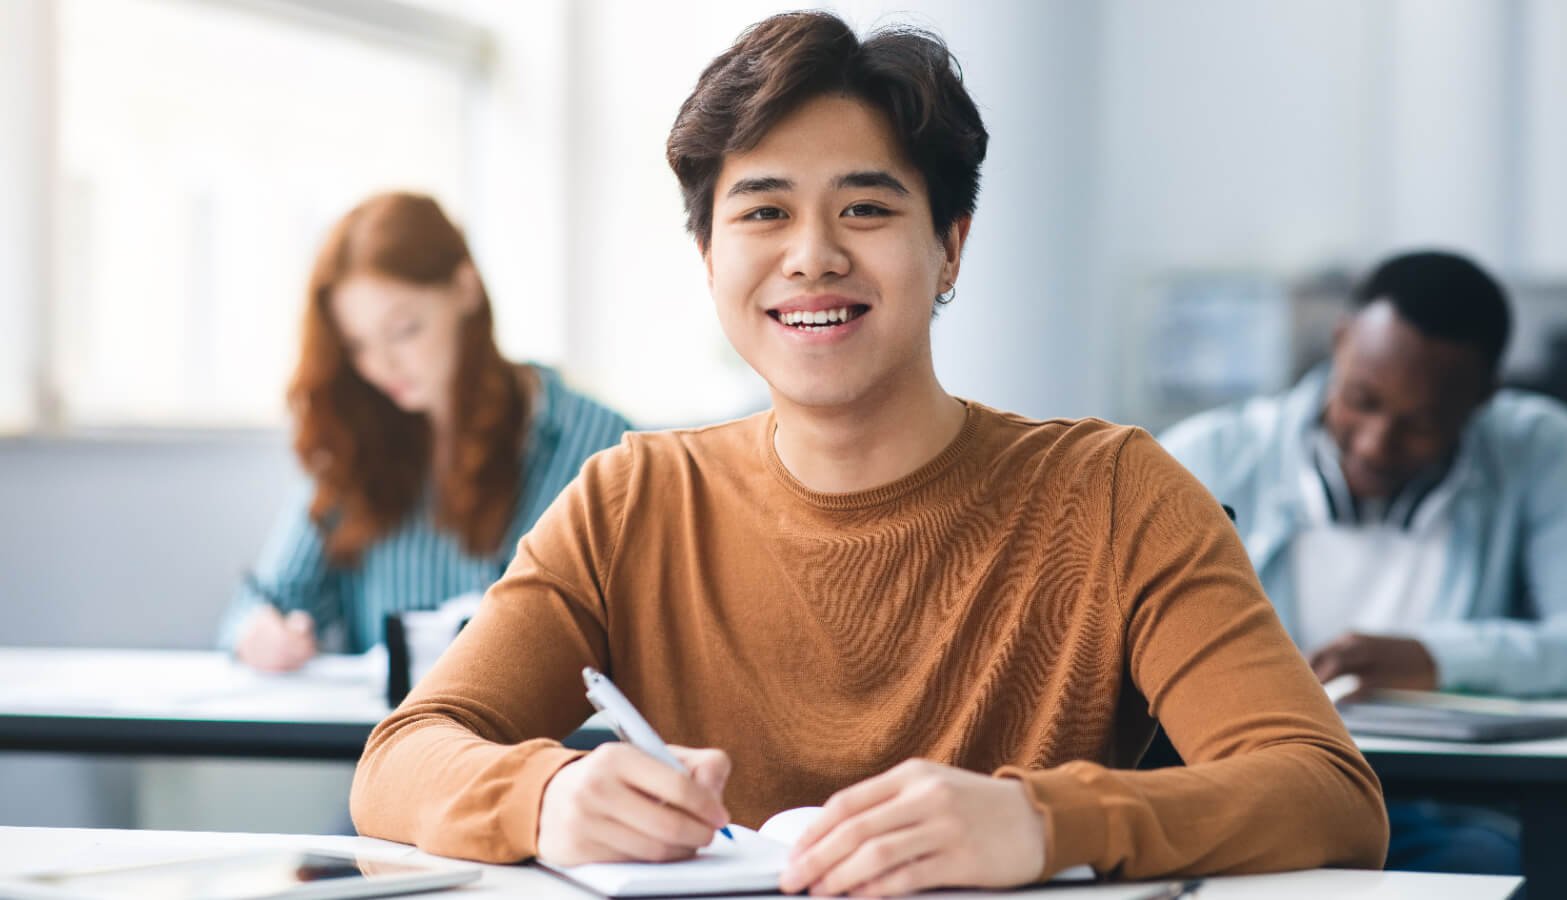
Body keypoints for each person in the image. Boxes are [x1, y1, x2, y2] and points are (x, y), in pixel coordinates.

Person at [350, 13, 1386, 893]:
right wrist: (549, 794)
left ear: (950, 247)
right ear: (709, 257)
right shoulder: (632, 499)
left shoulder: (1114, 492)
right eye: (761, 211)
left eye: (866, 208)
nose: (812, 255)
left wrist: (1042, 824)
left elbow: (1326, 793)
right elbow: (398, 762)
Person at [1161, 249, 1567, 874]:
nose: (1374, 444)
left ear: (1482, 399)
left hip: (1432, 807)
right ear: (1340, 343)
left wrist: (1435, 657)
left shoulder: (1539, 451)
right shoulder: (1208, 454)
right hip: (1245, 795)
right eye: (1361, 400)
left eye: (1420, 425)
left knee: (1495, 863)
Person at [219, 192, 631, 672]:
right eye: (357, 346)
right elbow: (262, 605)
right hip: (396, 743)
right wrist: (261, 634)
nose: (382, 365)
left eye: (404, 330)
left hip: (553, 745)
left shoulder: (599, 441)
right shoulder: (354, 443)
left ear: (466, 289)